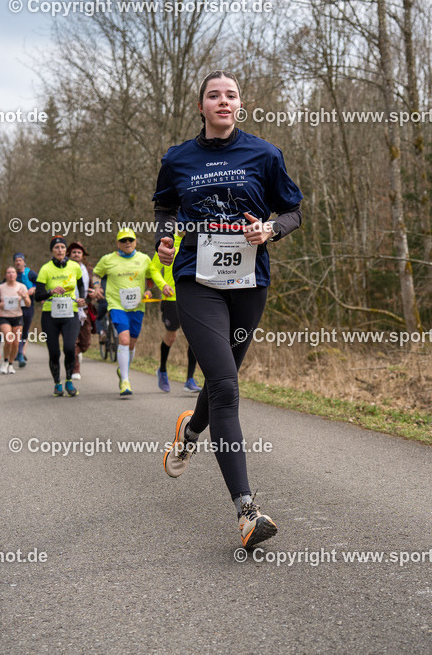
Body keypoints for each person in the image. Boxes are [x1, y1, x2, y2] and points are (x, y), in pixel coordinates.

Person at [155, 70, 302, 549]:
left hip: (249, 283)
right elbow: (164, 208)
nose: (223, 101)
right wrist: (163, 238)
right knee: (224, 385)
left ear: (241, 104)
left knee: (225, 381)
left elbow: (294, 210)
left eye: (231, 95)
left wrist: (271, 231)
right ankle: (246, 511)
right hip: (196, 280)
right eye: (213, 95)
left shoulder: (264, 154)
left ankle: (191, 428)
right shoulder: (178, 158)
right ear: (201, 106)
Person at [92, 229, 164, 397]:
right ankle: (125, 380)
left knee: (131, 344)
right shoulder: (108, 260)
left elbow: (150, 278)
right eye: (123, 240)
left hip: (137, 307)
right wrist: (97, 286)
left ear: (136, 242)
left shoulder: (144, 259)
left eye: (130, 240)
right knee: (123, 340)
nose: (127, 243)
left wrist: (148, 290)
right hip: (117, 305)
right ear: (118, 243)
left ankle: (122, 370)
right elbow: (96, 273)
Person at [33, 237, 85, 397]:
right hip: (50, 314)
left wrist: (82, 297)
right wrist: (50, 292)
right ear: (52, 250)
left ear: (66, 250)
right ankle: (57, 384)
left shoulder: (74, 266)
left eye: (63, 247)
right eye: (57, 247)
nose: (60, 250)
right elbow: (37, 295)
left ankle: (69, 381)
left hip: (71, 312)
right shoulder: (45, 269)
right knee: (54, 352)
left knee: (70, 348)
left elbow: (81, 285)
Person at [149, 233, 201, 393]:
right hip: (171, 298)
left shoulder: (198, 241)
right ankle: (162, 370)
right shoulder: (168, 243)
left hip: (193, 296)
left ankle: (190, 379)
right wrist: (163, 284)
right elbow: (154, 269)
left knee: (194, 338)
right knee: (171, 337)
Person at [0, 266, 30, 374]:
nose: (11, 274)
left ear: (16, 275)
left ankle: (10, 364)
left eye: (13, 272)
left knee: (15, 343)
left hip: (18, 317)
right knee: (9, 340)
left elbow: (28, 304)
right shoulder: (0, 288)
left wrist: (24, 296)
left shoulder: (22, 287)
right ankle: (5, 362)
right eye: (8, 272)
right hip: (4, 317)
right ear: (5, 275)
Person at [67, 242, 93, 380]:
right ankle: (75, 369)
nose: (76, 254)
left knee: (85, 343)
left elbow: (92, 286)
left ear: (83, 255)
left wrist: (93, 293)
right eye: (74, 252)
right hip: (69, 309)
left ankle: (78, 352)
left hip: (85, 308)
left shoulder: (88, 270)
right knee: (73, 341)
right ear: (69, 255)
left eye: (79, 252)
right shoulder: (65, 268)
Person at [13, 252, 37, 368]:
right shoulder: (11, 273)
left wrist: (34, 288)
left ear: (24, 262)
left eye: (20, 260)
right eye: (16, 260)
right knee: (17, 329)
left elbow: (41, 283)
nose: (18, 262)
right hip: (15, 306)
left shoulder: (30, 273)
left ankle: (20, 352)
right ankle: (20, 353)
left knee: (25, 329)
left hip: (28, 305)